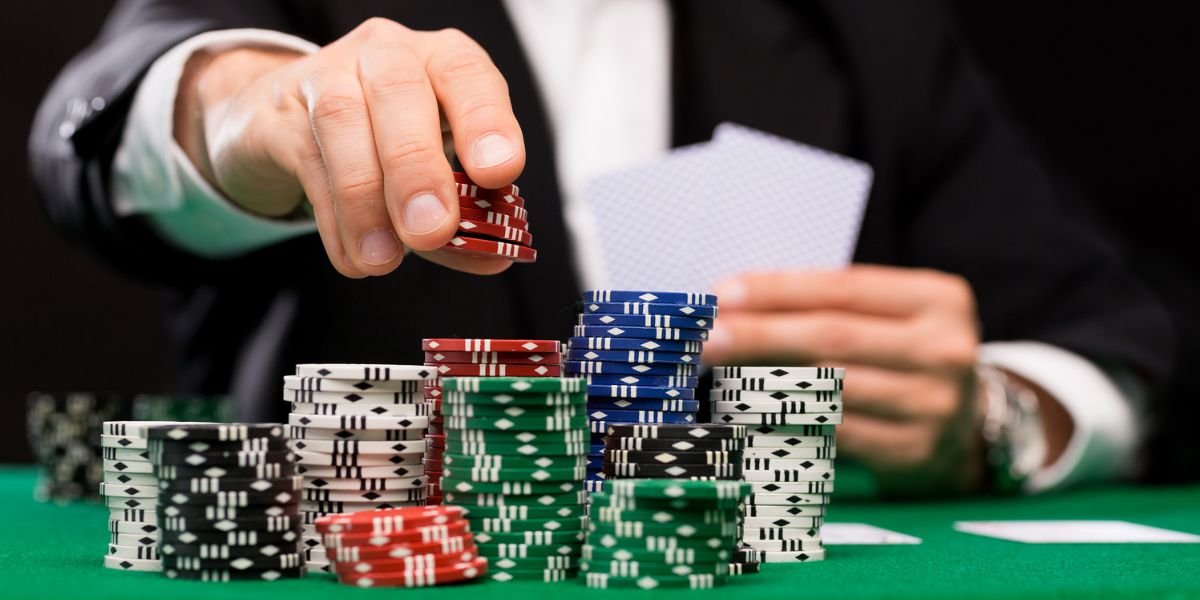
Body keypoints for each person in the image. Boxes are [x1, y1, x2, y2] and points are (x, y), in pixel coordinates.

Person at [29, 0, 1174, 496]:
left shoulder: (866, 30)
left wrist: (991, 416)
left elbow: (1124, 337)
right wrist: (239, 114)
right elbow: (115, 116)